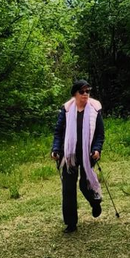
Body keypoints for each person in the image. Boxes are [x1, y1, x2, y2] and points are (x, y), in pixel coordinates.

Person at [51, 79, 105, 233]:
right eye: (82, 92)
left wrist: (97, 149)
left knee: (84, 185)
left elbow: (100, 134)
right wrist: (56, 149)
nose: (85, 94)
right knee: (68, 188)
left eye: (88, 91)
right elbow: (58, 132)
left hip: (87, 154)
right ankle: (71, 223)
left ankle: (95, 202)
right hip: (69, 154)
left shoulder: (95, 109)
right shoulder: (67, 110)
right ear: (74, 94)